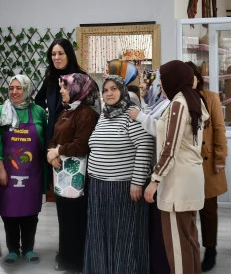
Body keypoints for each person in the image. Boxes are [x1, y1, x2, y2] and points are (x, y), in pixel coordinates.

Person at [83, 75, 155, 274]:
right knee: (100, 234)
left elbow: (145, 146)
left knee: (124, 236)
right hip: (98, 186)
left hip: (123, 188)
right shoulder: (104, 116)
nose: (109, 93)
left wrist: (137, 182)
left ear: (123, 91)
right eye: (105, 90)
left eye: (114, 89)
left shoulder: (132, 114)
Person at [144, 60, 209, 274]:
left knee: (178, 249)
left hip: (177, 183)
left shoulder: (178, 104)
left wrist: (154, 180)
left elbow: (170, 147)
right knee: (189, 240)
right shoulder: (194, 99)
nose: (161, 84)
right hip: (190, 179)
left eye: (163, 79)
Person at [0, 74, 47, 265]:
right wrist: (0, 167)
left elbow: (44, 140)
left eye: (19, 88)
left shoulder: (38, 111)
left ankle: (28, 248)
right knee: (10, 211)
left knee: (30, 212)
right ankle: (12, 249)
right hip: (7, 171)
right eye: (11, 88)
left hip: (32, 172)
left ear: (27, 90)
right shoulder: (0, 111)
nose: (14, 92)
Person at [46, 73, 99, 274]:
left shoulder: (86, 114)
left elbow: (81, 145)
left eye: (65, 87)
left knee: (75, 220)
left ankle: (74, 261)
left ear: (78, 89)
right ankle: (66, 257)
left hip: (78, 178)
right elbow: (54, 137)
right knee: (64, 218)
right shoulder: (67, 110)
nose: (61, 90)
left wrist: (57, 151)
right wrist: (51, 153)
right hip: (62, 175)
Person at [185, 62, 228, 272]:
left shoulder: (210, 97)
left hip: (207, 162)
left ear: (198, 77)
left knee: (209, 210)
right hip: (186, 163)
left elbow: (219, 129)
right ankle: (189, 250)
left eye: (192, 76)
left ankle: (210, 249)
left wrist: (220, 157)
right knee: (187, 210)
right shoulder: (178, 99)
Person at [130, 69, 171, 274]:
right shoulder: (160, 103)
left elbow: (163, 133)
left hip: (161, 173)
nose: (158, 85)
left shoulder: (171, 105)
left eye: (158, 82)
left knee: (161, 226)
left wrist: (140, 118)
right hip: (155, 170)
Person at [35, 38, 87, 146]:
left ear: (69, 55)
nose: (56, 57)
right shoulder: (50, 77)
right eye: (53, 54)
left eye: (60, 53)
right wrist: (48, 109)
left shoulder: (80, 78)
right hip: (51, 135)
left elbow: (89, 107)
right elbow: (38, 99)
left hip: (71, 136)